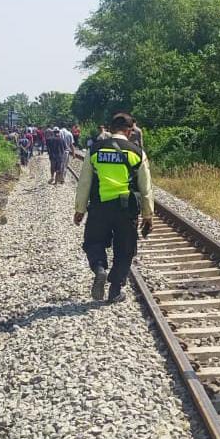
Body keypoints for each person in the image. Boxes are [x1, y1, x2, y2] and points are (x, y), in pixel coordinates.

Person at [74, 113, 154, 303]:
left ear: (110, 129)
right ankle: (115, 290)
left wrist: (80, 209)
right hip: (126, 210)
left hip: (100, 207)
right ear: (129, 131)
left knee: (94, 242)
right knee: (125, 249)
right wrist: (148, 215)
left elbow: (84, 182)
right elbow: (146, 186)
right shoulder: (137, 152)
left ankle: (99, 269)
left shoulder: (95, 150)